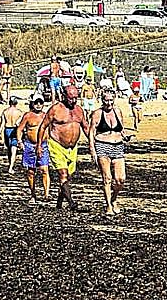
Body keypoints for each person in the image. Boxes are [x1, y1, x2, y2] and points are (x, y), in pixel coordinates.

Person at [89, 87, 132, 216]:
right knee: (107, 178)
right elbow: (91, 132)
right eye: (106, 100)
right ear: (102, 100)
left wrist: (125, 136)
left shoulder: (118, 111)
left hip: (118, 146)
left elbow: (121, 128)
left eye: (111, 100)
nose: (109, 103)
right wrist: (92, 149)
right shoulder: (97, 113)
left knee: (120, 179)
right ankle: (108, 205)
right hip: (102, 146)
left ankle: (113, 198)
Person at [45, 84, 88, 211]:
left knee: (67, 177)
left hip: (72, 148)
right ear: (64, 96)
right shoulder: (55, 109)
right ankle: (72, 204)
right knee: (63, 174)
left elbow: (86, 127)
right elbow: (43, 127)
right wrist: (39, 147)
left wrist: (94, 143)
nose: (73, 101)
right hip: (56, 145)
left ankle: (59, 204)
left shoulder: (79, 110)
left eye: (76, 98)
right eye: (71, 98)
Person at [17, 97, 51, 202]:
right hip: (29, 146)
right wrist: (20, 141)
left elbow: (52, 129)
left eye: (40, 102)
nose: (38, 105)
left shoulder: (46, 116)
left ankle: (46, 194)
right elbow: (20, 129)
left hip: (43, 145)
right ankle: (33, 194)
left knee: (44, 169)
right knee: (31, 171)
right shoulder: (28, 116)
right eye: (36, 103)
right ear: (33, 104)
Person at [0, 97, 23, 174]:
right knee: (14, 150)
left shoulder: (5, 111)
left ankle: (10, 165)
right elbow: (20, 124)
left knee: (9, 149)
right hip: (14, 130)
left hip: (7, 130)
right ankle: (11, 167)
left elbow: (2, 123)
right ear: (16, 103)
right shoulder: (19, 112)